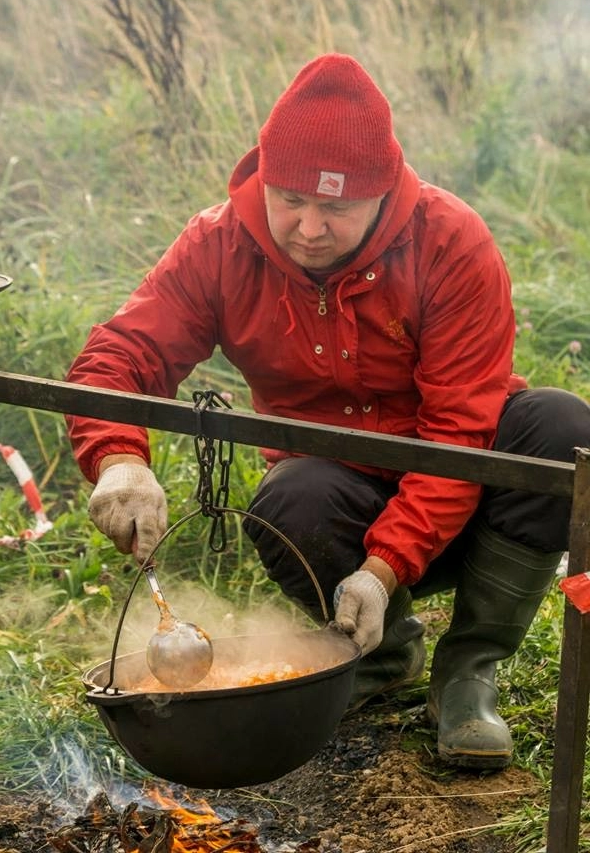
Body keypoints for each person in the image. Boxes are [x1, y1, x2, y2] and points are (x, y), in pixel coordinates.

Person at [66, 53, 590, 770]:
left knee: (560, 430)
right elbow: (120, 354)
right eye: (290, 200)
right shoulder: (220, 243)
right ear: (263, 179)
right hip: (337, 500)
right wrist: (119, 457)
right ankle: (382, 653)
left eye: (335, 208)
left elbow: (458, 435)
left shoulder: (449, 244)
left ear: (384, 194)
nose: (308, 228)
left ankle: (467, 671)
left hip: (462, 504)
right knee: (291, 495)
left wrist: (384, 567)